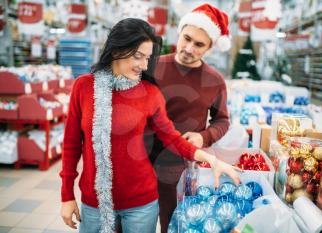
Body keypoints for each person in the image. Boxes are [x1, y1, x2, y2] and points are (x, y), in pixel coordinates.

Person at [59, 18, 240, 233]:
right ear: (117, 49)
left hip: (141, 202)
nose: (144, 66)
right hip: (94, 201)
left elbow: (172, 137)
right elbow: (71, 145)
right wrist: (67, 196)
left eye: (147, 58)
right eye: (138, 57)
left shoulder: (150, 92)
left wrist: (210, 158)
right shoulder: (84, 87)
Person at [145, 4, 232, 232]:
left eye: (199, 44)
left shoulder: (214, 81)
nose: (189, 48)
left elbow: (223, 120)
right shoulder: (151, 66)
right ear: (179, 33)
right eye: (187, 38)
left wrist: (204, 137)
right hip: (139, 160)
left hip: (179, 167)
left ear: (210, 47)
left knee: (172, 224)